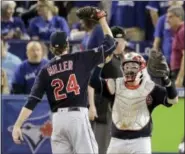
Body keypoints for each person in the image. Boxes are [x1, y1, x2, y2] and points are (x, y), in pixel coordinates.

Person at [12, 7, 118, 154]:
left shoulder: (45, 70)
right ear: (67, 45)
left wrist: (18, 125)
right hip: (77, 117)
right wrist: (102, 19)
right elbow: (110, 44)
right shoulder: (80, 58)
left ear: (51, 48)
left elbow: (32, 100)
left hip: (58, 120)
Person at [90, 51, 178, 154]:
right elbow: (93, 81)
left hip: (141, 141)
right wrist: (101, 63)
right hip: (117, 141)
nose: (129, 70)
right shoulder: (115, 84)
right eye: (127, 66)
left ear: (141, 68)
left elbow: (173, 100)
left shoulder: (150, 88)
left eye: (133, 66)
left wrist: (166, 80)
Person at [166, 5, 185, 87]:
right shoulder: (178, 31)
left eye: (170, 17)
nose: (167, 20)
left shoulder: (182, 31)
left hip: (180, 72)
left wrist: (180, 78)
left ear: (179, 17)